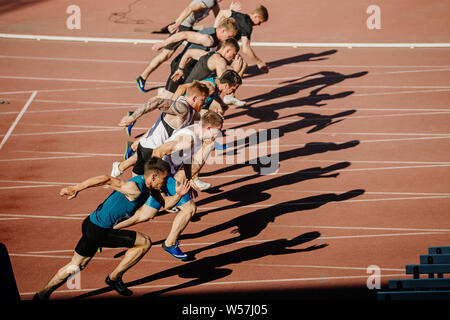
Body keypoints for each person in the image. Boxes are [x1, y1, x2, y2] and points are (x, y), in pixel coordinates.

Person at [33, 157, 190, 299]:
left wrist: (178, 195)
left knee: (77, 265)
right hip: (100, 230)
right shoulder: (134, 188)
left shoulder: (152, 189)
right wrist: (76, 188)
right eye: (164, 179)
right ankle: (114, 278)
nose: (165, 182)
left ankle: (42, 295)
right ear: (153, 176)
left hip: (90, 223)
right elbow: (106, 179)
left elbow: (165, 204)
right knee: (144, 243)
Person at [146, 111, 224, 259]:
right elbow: (158, 150)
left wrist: (189, 178)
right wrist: (154, 179)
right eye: (217, 131)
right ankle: (170, 243)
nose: (218, 135)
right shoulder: (187, 139)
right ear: (208, 128)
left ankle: (103, 232)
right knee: (189, 209)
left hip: (168, 175)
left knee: (144, 215)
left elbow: (186, 159)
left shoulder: (198, 136)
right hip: (162, 175)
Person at [111, 81, 210, 179]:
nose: (205, 103)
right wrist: (132, 118)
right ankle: (114, 177)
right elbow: (157, 102)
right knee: (143, 185)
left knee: (143, 184)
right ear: (194, 98)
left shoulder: (194, 114)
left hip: (156, 150)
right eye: (203, 100)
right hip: (151, 149)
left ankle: (119, 168)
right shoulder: (182, 107)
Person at [136, 0, 227, 92]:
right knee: (166, 54)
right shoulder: (209, 1)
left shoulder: (214, 3)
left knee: (172, 53)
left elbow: (219, 19)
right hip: (183, 26)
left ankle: (182, 65)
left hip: (188, 26)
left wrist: (230, 13)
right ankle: (142, 77)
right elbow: (190, 8)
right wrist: (177, 23)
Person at [152, 17, 238, 96]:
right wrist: (162, 44)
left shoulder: (218, 41)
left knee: (184, 96)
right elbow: (184, 34)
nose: (229, 39)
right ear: (223, 30)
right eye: (229, 36)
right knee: (169, 96)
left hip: (193, 69)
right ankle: (158, 103)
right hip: (183, 66)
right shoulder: (208, 39)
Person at [214, 4, 269, 106]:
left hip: (220, 47)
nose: (259, 24)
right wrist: (259, 62)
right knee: (240, 66)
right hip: (222, 51)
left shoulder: (238, 15)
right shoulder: (247, 25)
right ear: (256, 16)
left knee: (242, 65)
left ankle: (229, 95)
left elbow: (221, 13)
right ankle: (225, 93)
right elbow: (246, 48)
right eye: (260, 21)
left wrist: (215, 28)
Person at [170, 37, 242, 86]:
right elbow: (223, 84)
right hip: (194, 95)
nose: (233, 58)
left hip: (191, 89)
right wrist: (236, 70)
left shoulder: (209, 54)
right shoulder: (220, 61)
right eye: (233, 54)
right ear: (227, 50)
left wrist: (180, 69)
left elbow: (189, 52)